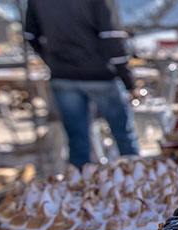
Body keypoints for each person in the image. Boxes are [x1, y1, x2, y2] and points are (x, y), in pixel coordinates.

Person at [24, 0, 139, 168]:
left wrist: (51, 60)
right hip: (100, 75)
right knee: (123, 134)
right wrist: (129, 82)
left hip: (63, 75)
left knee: (77, 139)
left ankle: (79, 185)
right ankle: (135, 181)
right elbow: (112, 37)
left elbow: (30, 35)